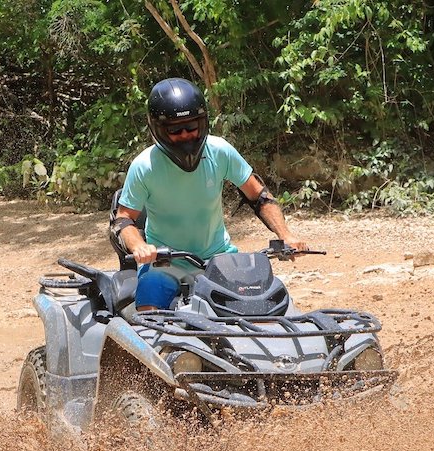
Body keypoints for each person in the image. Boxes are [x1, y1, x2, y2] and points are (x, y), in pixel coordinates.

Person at [111, 77, 308, 311]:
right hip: (165, 262)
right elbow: (124, 218)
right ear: (159, 129)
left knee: (262, 308)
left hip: (220, 259)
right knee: (150, 310)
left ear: (203, 123)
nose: (186, 135)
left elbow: (260, 196)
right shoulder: (145, 166)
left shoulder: (220, 151)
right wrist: (139, 247)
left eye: (192, 126)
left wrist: (285, 235)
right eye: (175, 129)